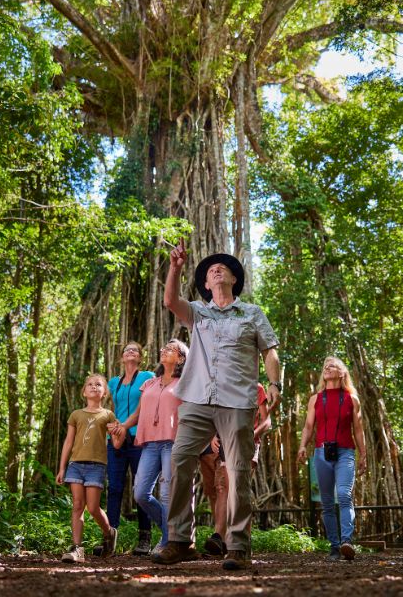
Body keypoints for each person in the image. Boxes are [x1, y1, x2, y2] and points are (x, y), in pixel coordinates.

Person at [153, 239, 281, 571]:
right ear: (206, 285)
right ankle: (180, 541)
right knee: (180, 460)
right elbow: (170, 301)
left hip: (236, 402)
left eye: (223, 268)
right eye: (211, 270)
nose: (217, 269)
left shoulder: (252, 313)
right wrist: (175, 268)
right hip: (197, 399)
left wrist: (274, 383)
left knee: (237, 472)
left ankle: (237, 546)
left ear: (234, 279)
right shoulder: (198, 312)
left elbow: (269, 350)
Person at [117, 339, 189, 554]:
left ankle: (167, 542)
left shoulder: (185, 383)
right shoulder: (149, 383)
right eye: (164, 348)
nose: (164, 351)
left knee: (167, 493)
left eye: (170, 349)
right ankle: (170, 532)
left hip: (172, 442)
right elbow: (138, 413)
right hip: (149, 443)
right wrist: (123, 426)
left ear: (181, 358)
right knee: (140, 493)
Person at [297, 356, 367, 562]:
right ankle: (334, 547)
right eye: (325, 366)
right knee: (327, 502)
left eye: (332, 366)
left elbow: (358, 429)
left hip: (345, 452)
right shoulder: (315, 399)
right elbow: (308, 426)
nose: (327, 368)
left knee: (344, 495)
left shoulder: (352, 399)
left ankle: (347, 542)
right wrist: (302, 446)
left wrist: (363, 454)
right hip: (321, 453)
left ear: (342, 373)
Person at [56, 374, 125, 563]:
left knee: (93, 507)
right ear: (84, 392)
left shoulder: (108, 415)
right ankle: (77, 548)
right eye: (90, 384)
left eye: (99, 385)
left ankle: (109, 532)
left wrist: (119, 432)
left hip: (96, 466)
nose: (94, 386)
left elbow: (116, 444)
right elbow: (68, 442)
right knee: (78, 505)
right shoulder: (76, 414)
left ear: (104, 393)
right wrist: (62, 468)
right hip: (75, 465)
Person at [201, 383, 272, 555]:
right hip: (225, 443)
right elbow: (214, 416)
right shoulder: (222, 385)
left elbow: (267, 421)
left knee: (239, 489)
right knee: (222, 487)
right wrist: (212, 436)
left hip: (247, 443)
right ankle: (219, 538)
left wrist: (250, 435)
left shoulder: (256, 387)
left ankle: (242, 542)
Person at [104, 341, 155, 555]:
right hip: (117, 439)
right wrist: (112, 426)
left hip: (138, 439)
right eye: (127, 350)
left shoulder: (147, 377)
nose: (130, 352)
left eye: (135, 350)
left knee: (141, 488)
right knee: (114, 488)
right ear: (121, 357)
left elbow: (146, 405)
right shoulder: (113, 382)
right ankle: (109, 537)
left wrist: (125, 425)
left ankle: (145, 538)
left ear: (140, 357)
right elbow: (108, 408)